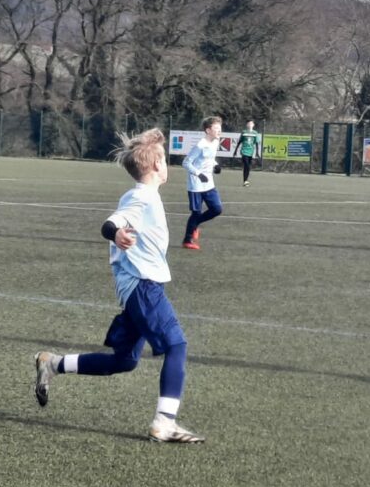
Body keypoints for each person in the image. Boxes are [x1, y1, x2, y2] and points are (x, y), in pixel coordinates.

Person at [33, 127, 204, 444]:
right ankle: (164, 423)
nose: (167, 165)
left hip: (139, 289)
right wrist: (115, 233)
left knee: (124, 361)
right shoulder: (141, 195)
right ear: (155, 165)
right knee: (177, 346)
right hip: (143, 287)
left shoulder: (146, 196)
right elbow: (110, 222)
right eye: (164, 159)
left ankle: (53, 363)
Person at [181, 116, 223, 250]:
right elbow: (186, 163)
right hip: (196, 185)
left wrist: (216, 165)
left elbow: (210, 159)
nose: (219, 131)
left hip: (209, 183)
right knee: (196, 213)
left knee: (217, 209)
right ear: (208, 130)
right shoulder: (200, 145)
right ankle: (187, 240)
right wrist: (199, 174)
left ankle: (194, 225)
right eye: (216, 128)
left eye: (220, 128)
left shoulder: (215, 142)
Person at [236, 119, 261, 187]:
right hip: (244, 151)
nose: (250, 125)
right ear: (247, 125)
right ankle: (245, 181)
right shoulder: (244, 132)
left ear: (253, 125)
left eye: (251, 123)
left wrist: (257, 153)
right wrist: (235, 151)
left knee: (248, 167)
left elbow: (256, 143)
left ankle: (245, 180)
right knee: (246, 165)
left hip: (251, 152)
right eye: (249, 123)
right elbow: (239, 142)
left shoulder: (255, 133)